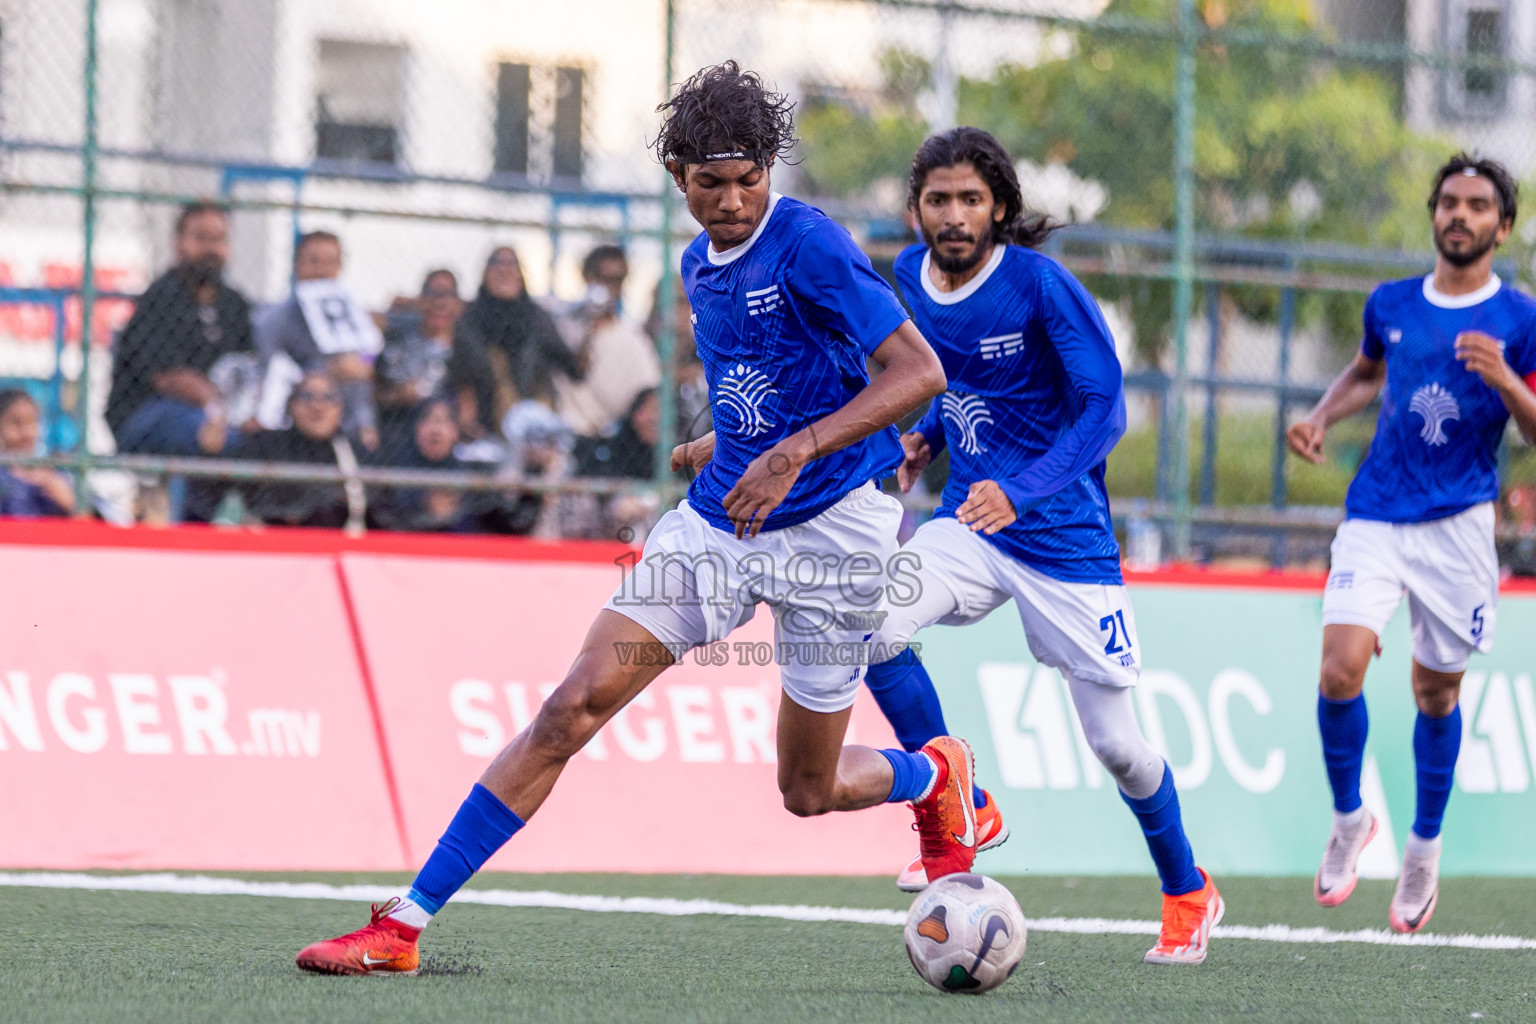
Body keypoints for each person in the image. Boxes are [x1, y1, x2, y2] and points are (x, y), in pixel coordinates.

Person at [296, 61, 962, 977]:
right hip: (718, 527)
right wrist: (721, 450)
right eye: (709, 183)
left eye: (749, 179)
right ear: (678, 180)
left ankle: (934, 775)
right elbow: (762, 383)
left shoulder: (811, 244)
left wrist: (792, 451)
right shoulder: (698, 263)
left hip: (834, 535)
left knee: (808, 790)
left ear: (772, 168)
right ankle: (403, 924)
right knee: (571, 708)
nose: (732, 201)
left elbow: (917, 373)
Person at [863, 127, 1223, 966]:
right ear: (915, 207)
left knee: (1119, 748)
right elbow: (944, 381)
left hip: (1062, 542)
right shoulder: (906, 281)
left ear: (999, 208)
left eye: (970, 200)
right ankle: (962, 799)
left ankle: (1185, 887)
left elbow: (1103, 412)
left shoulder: (1039, 285)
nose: (953, 215)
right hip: (969, 525)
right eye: (938, 200)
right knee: (868, 622)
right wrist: (923, 437)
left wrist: (1020, 490)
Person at [1285, 153, 1536, 934]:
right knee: (1340, 669)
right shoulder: (1391, 301)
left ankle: (1423, 849)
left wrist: (1505, 380)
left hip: (1460, 526)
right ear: (1434, 214)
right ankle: (1350, 819)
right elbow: (1367, 371)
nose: (1459, 216)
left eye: (1477, 206)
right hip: (1376, 514)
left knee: (1436, 694)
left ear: (1502, 224)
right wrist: (1323, 415)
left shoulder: (1520, 319)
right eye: (1449, 203)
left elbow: (1533, 428)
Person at [105, 202, 252, 456]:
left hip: (219, 413)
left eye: (218, 239)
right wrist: (215, 408)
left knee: (260, 438)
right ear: (178, 242)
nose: (211, 249)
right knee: (205, 430)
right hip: (149, 412)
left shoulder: (234, 304)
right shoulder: (161, 298)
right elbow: (168, 378)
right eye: (201, 238)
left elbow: (248, 365)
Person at [255, 231, 383, 450]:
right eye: (314, 261)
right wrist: (329, 370)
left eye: (330, 262)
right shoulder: (276, 319)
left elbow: (370, 355)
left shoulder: (351, 316)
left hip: (349, 425)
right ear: (297, 265)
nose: (322, 271)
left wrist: (364, 365)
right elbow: (269, 375)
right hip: (291, 427)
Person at [199, 370, 365, 529]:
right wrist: (210, 452)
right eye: (307, 396)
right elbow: (220, 486)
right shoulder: (265, 444)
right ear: (292, 405)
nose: (317, 406)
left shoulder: (358, 454)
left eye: (328, 397)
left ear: (340, 408)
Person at [448, 247, 582, 438]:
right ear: (485, 274)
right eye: (497, 264)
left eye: (511, 264)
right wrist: (468, 420)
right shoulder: (471, 320)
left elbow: (572, 368)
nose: (505, 271)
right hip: (487, 423)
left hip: (536, 419)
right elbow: (463, 377)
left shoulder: (536, 318)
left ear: (521, 275)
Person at [554, 244, 662, 437]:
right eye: (604, 279)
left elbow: (648, 389)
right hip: (565, 432)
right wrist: (589, 326)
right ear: (587, 277)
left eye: (618, 280)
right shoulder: (563, 327)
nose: (610, 288)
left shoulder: (632, 338)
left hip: (613, 437)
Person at [375, 269, 463, 450]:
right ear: (421, 301)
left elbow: (469, 410)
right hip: (397, 433)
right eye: (433, 294)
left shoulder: (467, 350)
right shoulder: (397, 342)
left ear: (457, 304)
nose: (439, 302)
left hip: (448, 442)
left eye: (447, 295)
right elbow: (375, 394)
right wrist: (400, 396)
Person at [0, 389, 74, 518]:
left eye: (32, 422)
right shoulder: (4, 475)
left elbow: (85, 521)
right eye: (16, 423)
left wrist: (68, 500)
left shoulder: (54, 473)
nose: (27, 432)